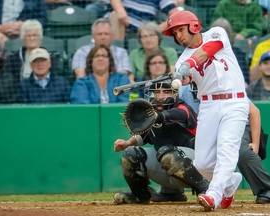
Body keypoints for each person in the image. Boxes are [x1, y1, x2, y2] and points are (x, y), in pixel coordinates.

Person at [163, 10, 249, 211]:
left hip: (235, 102)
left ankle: (214, 194)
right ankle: (228, 186)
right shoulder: (182, 60)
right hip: (208, 105)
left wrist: (187, 66)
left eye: (180, 30)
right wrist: (177, 77)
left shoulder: (217, 33)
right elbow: (185, 79)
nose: (178, 36)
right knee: (202, 163)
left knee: (227, 149)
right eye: (174, 33)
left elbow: (205, 52)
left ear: (193, 26)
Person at [112, 77, 209, 204]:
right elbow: (144, 135)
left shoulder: (183, 108)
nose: (160, 96)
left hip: (199, 168)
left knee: (166, 152)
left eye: (166, 92)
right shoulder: (153, 114)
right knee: (131, 154)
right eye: (157, 92)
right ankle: (142, 195)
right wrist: (127, 143)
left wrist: (159, 116)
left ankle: (206, 191)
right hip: (169, 167)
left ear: (175, 93)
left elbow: (179, 114)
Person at [179, 84, 270, 204]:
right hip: (211, 129)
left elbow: (254, 112)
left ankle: (266, 188)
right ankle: (227, 185)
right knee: (202, 161)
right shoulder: (184, 91)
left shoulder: (223, 85)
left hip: (240, 125)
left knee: (241, 150)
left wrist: (255, 143)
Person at [4, 19, 61, 87]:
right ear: (23, 38)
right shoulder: (14, 58)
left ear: (40, 37)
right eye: (28, 35)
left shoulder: (50, 57)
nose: (32, 38)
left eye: (35, 35)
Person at [106, 0, 180, 40]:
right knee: (115, 16)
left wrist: (157, 29)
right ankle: (117, 49)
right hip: (121, 24)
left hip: (142, 33)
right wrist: (120, 10)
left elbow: (176, 14)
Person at [211, 18, 250, 84]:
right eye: (217, 33)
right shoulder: (204, 53)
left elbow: (245, 78)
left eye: (224, 32)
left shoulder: (238, 53)